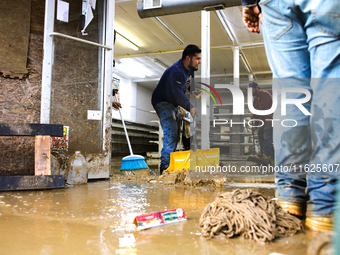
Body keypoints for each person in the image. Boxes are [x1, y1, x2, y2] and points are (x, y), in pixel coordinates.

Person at [242, 0, 340, 232]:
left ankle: (289, 194)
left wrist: (249, 3)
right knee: (329, 83)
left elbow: (267, 111)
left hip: (275, 4)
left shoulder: (262, 94)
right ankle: (325, 201)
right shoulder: (254, 97)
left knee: (290, 91)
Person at [151, 44, 201, 174]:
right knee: (171, 133)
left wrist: (198, 96)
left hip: (173, 103)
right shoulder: (176, 71)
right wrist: (191, 108)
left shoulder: (190, 70)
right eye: (197, 59)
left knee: (177, 133)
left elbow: (190, 86)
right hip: (162, 102)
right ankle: (165, 170)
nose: (199, 62)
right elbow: (178, 94)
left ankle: (171, 165)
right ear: (188, 58)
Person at [248, 82, 273, 165]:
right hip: (262, 122)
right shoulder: (255, 100)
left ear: (257, 88)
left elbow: (263, 108)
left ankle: (267, 156)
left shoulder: (264, 94)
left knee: (267, 138)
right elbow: (257, 115)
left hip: (268, 120)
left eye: (252, 90)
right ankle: (263, 155)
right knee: (260, 137)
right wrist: (255, 126)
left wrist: (254, 114)